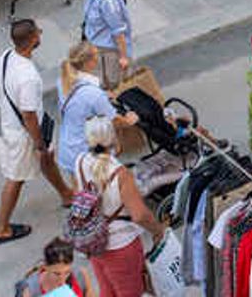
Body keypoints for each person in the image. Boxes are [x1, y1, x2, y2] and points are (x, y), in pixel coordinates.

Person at [0, 19, 74, 244]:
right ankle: (1, 228)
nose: (41, 33)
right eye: (38, 32)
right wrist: (39, 143)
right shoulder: (28, 77)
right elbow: (28, 114)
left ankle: (66, 194)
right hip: (24, 133)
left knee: (47, 160)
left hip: (13, 123)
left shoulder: (6, 57)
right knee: (16, 178)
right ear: (33, 40)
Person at [76, 117, 167, 297]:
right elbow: (139, 215)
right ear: (114, 137)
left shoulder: (80, 161)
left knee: (107, 290)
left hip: (93, 239)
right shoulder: (120, 173)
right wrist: (158, 230)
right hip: (121, 245)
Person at [57, 41, 140, 185]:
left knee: (81, 192)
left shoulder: (63, 81)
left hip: (68, 148)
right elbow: (115, 120)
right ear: (90, 62)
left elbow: (81, 103)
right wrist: (130, 120)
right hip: (86, 152)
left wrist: (101, 95)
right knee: (98, 193)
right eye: (96, 56)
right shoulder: (93, 94)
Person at [80, 0, 133, 90]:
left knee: (112, 90)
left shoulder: (108, 0)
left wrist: (123, 57)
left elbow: (118, 31)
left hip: (109, 53)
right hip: (97, 49)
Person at [15, 237, 97, 297]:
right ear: (45, 267)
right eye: (57, 274)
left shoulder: (81, 275)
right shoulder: (31, 291)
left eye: (67, 272)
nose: (62, 280)